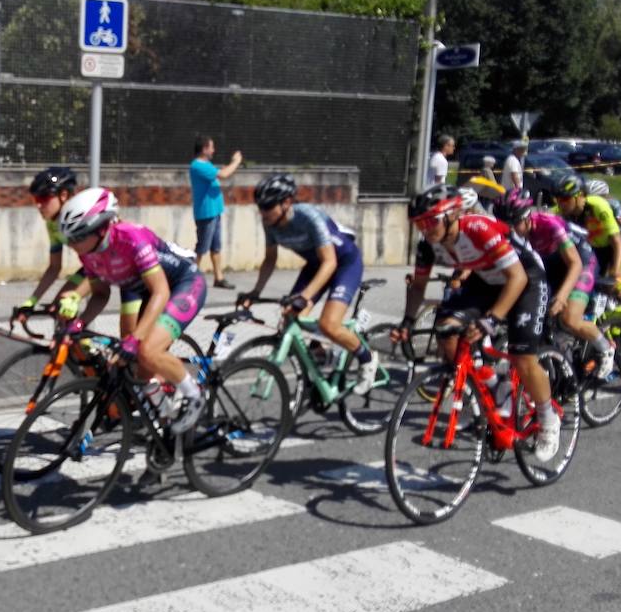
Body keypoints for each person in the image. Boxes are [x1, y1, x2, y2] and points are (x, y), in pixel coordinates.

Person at [394, 184, 561, 461]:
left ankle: (548, 419)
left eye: (430, 221)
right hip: (486, 281)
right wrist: (408, 320)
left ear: (450, 216)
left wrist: (492, 320)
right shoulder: (428, 245)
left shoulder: (478, 229)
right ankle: (498, 388)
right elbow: (419, 285)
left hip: (525, 280)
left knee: (522, 356)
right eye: (419, 224)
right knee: (446, 330)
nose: (425, 229)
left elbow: (517, 279)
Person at [54, 188, 207, 432]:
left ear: (100, 228)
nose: (72, 246)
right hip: (150, 291)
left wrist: (135, 339)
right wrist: (80, 323)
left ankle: (195, 395)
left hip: (183, 285)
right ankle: (164, 417)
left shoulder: (130, 238)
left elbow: (161, 291)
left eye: (77, 237)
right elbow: (101, 294)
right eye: (68, 240)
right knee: (138, 369)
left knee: (146, 350)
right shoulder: (89, 252)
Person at [237, 174, 379, 393]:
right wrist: (255, 292)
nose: (262, 212)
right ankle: (320, 352)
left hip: (343, 263)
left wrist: (304, 297)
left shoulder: (309, 217)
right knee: (290, 316)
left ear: (286, 203)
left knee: (328, 324)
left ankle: (367, 358)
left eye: (267, 206)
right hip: (315, 265)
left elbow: (330, 262)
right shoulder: (271, 223)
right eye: (260, 207)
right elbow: (270, 259)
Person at [495, 189, 614, 379]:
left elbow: (575, 264)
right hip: (550, 264)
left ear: (527, 218)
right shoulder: (511, 232)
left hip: (580, 261)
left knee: (569, 318)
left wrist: (562, 295)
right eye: (505, 225)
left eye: (514, 224)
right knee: (538, 313)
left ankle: (605, 349)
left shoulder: (548, 224)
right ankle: (559, 358)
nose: (510, 231)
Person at [552, 173, 621, 343]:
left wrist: (616, 272)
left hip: (620, 243)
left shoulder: (598, 206)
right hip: (595, 249)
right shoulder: (560, 210)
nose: (560, 204)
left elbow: (617, 242)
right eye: (558, 200)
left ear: (579, 196)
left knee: (616, 286)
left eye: (565, 200)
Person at [16, 165, 81, 315]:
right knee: (59, 310)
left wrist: (75, 296)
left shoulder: (80, 219)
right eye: (36, 199)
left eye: (44, 198)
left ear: (63, 195)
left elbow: (98, 266)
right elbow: (54, 267)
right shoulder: (52, 224)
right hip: (98, 268)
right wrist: (31, 302)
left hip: (128, 269)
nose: (38, 204)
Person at [188, 134, 243, 289]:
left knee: (215, 247)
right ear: (205, 148)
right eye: (211, 147)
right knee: (201, 248)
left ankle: (218, 278)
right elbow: (224, 174)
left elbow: (220, 172)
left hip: (214, 212)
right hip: (206, 213)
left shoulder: (206, 165)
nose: (213, 150)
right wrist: (236, 162)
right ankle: (189, 277)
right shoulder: (198, 166)